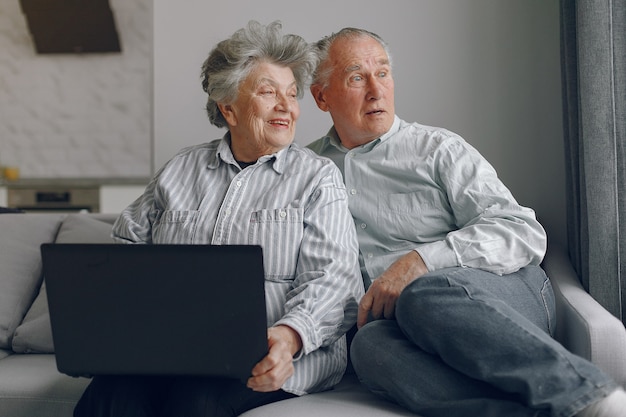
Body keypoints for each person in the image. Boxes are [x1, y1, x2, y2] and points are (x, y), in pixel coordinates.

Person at [307, 27, 626, 417]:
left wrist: (419, 262)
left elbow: (522, 231)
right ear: (322, 97)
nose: (377, 90)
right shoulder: (307, 171)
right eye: (357, 77)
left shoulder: (438, 149)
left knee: (422, 292)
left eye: (384, 73)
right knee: (368, 346)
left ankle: (589, 399)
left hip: (500, 293)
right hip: (401, 323)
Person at [73, 21, 363, 417]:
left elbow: (335, 281)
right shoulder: (179, 169)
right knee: (108, 398)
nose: (286, 106)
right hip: (173, 350)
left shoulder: (317, 177)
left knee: (196, 402)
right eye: (268, 92)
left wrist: (289, 336)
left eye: (292, 95)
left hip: (278, 355)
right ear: (229, 107)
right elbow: (126, 250)